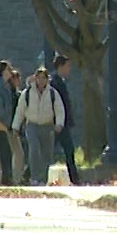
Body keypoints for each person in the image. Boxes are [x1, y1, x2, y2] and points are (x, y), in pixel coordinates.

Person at [13, 64, 64, 185]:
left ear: (47, 79)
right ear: (35, 78)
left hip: (47, 126)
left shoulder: (52, 93)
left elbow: (59, 109)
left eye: (43, 78)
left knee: (47, 153)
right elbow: (20, 110)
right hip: (32, 126)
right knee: (34, 150)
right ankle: (34, 177)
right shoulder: (27, 93)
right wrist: (16, 126)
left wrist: (59, 124)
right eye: (39, 77)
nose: (41, 81)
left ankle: (44, 179)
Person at [49, 54, 82, 185]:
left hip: (62, 122)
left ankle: (75, 179)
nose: (69, 69)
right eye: (67, 66)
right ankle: (75, 180)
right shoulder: (54, 82)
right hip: (58, 123)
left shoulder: (60, 81)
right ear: (60, 66)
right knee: (65, 149)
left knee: (67, 150)